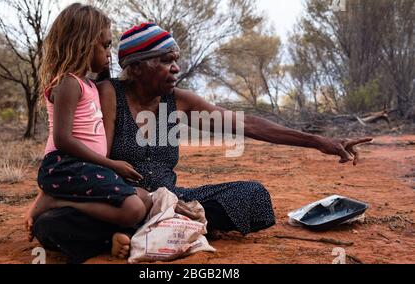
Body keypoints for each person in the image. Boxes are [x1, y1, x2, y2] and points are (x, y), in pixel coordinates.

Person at [29, 23, 372, 264]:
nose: (175, 67)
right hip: (122, 200)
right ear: (135, 66)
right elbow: (85, 153)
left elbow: (245, 124)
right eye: (164, 60)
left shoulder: (178, 100)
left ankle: (161, 226)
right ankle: (156, 229)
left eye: (175, 58)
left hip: (172, 198)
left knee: (253, 195)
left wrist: (317, 141)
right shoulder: (108, 94)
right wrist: (46, 197)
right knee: (51, 226)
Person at [25, 5, 153, 259]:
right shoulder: (68, 84)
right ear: (83, 44)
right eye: (105, 46)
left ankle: (103, 236)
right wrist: (112, 165)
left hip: (84, 167)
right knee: (132, 209)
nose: (109, 53)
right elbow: (61, 140)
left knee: (145, 200)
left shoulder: (88, 85)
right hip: (69, 165)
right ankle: (59, 201)